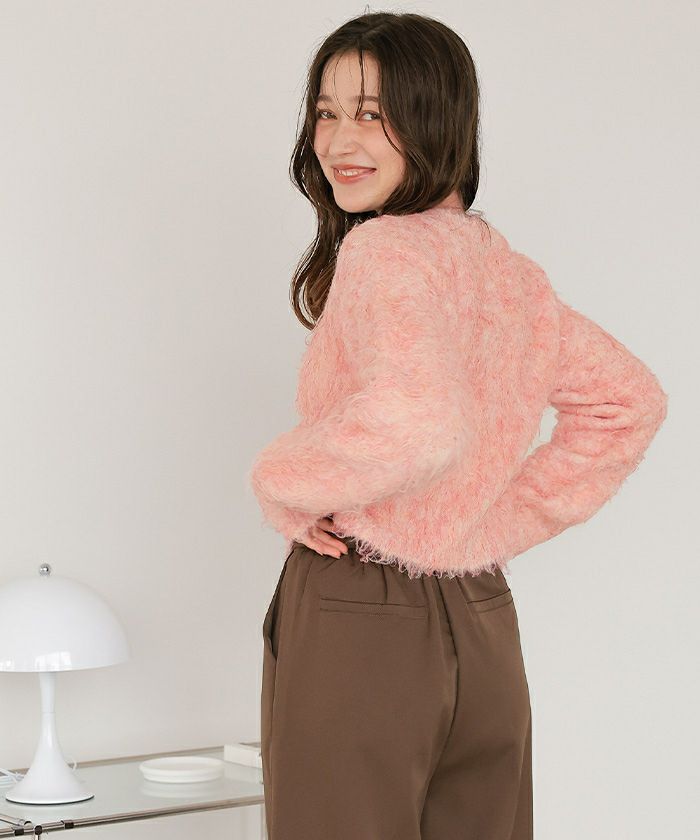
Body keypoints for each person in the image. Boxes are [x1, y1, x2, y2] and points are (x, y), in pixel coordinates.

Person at [247, 11, 668, 840]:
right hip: (482, 619)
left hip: (358, 609)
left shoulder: (383, 252)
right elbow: (630, 401)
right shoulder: (506, 272)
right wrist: (490, 523)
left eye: (373, 112)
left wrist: (279, 478)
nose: (339, 140)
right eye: (326, 112)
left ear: (437, 119)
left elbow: (420, 421)